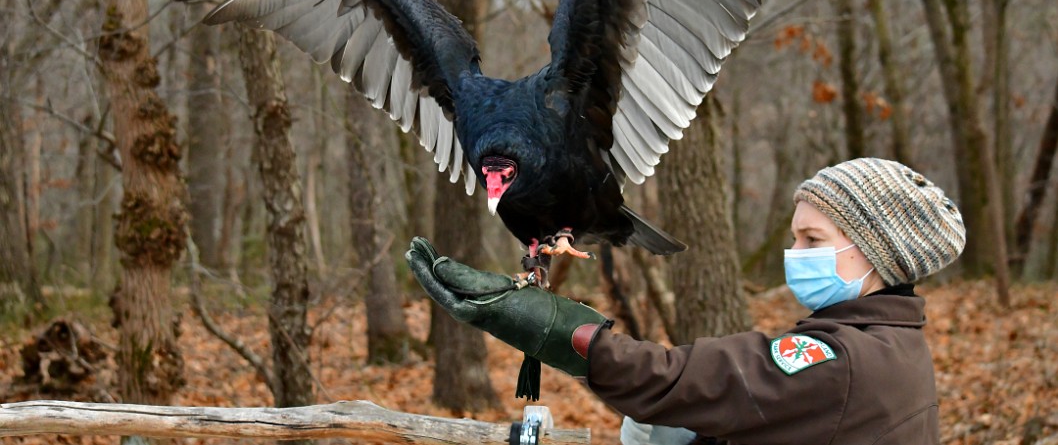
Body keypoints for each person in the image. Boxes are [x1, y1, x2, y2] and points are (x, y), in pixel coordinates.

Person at [406, 157, 966, 445]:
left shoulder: (842, 363)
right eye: (796, 236)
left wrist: (550, 327)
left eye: (812, 241)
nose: (794, 253)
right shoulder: (894, 344)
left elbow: (678, 379)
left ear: (877, 255)